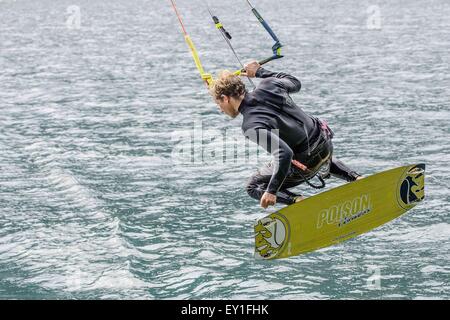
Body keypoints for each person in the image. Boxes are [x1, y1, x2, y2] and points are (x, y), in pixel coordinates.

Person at [210, 61, 362, 209]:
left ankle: (298, 201)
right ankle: (356, 177)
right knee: (308, 144)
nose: (221, 109)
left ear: (225, 98)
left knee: (254, 186)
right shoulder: (269, 84)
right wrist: (260, 72)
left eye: (219, 104)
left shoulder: (250, 125)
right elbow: (295, 82)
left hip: (307, 164)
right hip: (326, 145)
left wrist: (271, 191)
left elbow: (284, 154)